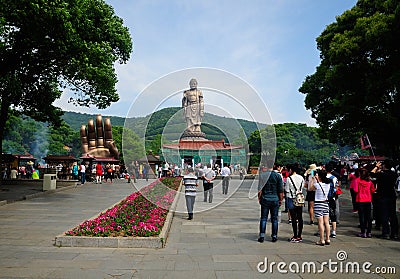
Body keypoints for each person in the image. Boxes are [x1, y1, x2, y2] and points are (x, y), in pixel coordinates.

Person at [371, 160, 399, 240]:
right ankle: (394, 233)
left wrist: (376, 167)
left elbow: (371, 174)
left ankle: (386, 233)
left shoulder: (381, 174)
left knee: (384, 215)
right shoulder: (394, 174)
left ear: (384, 165)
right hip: (391, 195)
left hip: (383, 196)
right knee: (393, 215)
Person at [257, 160, 284, 243]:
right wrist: (281, 200)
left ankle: (262, 235)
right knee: (274, 219)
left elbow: (260, 189)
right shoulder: (278, 176)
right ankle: (274, 236)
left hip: (265, 198)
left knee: (264, 218)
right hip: (275, 199)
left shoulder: (262, 175)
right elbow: (280, 190)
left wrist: (259, 198)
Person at [309, 169, 331, 246]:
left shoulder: (317, 185)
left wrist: (313, 179)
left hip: (318, 204)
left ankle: (321, 240)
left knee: (320, 223)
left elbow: (310, 188)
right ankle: (327, 238)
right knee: (327, 222)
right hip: (326, 203)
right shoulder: (328, 184)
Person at [285, 164, 305, 243]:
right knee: (300, 217)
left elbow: (287, 189)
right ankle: (299, 235)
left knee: (293, 218)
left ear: (291, 170)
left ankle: (295, 235)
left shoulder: (289, 179)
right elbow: (302, 187)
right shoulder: (301, 178)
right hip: (299, 199)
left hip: (291, 198)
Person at [354, 168, 375, 238]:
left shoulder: (357, 180)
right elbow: (373, 190)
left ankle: (363, 232)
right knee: (368, 216)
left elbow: (356, 190)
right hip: (368, 200)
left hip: (360, 200)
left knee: (362, 216)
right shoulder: (370, 182)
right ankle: (369, 232)